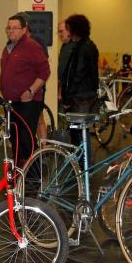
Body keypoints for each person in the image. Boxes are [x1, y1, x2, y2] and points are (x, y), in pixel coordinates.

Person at [0, 14, 50, 167]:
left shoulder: (32, 46)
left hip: (28, 103)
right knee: (15, 139)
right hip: (12, 103)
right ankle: (18, 173)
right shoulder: (7, 48)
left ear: (24, 30)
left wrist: (31, 90)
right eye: (9, 28)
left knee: (26, 140)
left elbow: (45, 71)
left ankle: (33, 176)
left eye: (15, 28)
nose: (11, 31)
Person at [61, 14, 99, 164]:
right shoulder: (88, 46)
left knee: (79, 133)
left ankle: (82, 167)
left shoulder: (82, 48)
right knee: (81, 133)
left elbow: (77, 74)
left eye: (69, 28)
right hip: (86, 95)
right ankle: (82, 165)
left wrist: (68, 98)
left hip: (80, 97)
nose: (67, 32)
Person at [57, 21, 73, 105]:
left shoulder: (76, 46)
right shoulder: (64, 46)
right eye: (58, 32)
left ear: (69, 31)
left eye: (61, 31)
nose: (59, 34)